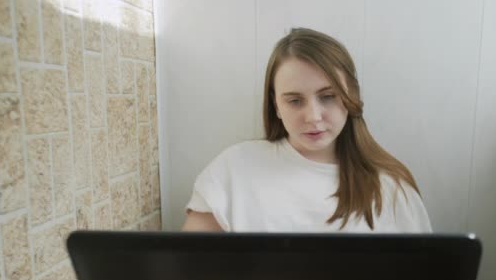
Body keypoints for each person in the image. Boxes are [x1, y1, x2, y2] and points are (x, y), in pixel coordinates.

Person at [182, 27, 431, 233]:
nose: (313, 117)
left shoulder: (391, 187)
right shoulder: (232, 171)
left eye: (328, 96)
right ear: (276, 105)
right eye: (295, 101)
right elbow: (190, 272)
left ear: (351, 95)